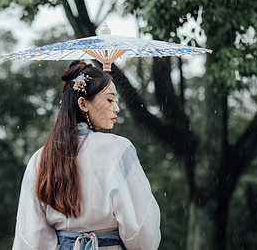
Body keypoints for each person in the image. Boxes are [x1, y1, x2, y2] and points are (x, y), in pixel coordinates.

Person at [12, 60, 161, 250]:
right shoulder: (118, 149)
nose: (116, 108)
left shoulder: (41, 158)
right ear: (83, 103)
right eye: (109, 99)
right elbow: (141, 231)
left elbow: (30, 236)